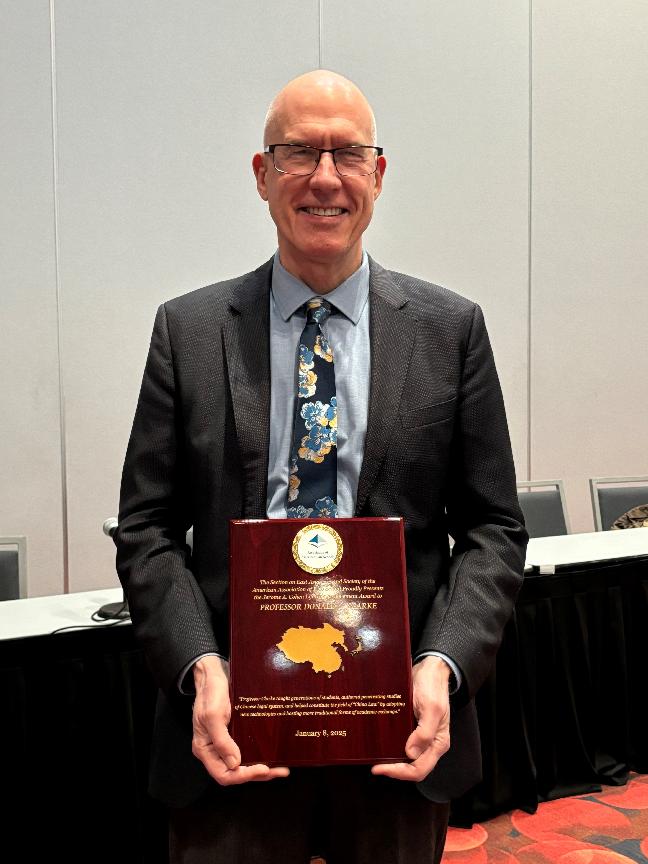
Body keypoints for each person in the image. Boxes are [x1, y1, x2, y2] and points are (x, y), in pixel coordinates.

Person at [116, 70, 528, 864]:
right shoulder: (189, 331)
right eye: (299, 152)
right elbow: (149, 527)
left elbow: (493, 529)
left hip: (397, 725)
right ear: (262, 175)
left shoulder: (451, 331)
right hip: (232, 727)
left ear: (379, 174)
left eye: (348, 153)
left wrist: (442, 665)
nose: (325, 178)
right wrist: (199, 668)